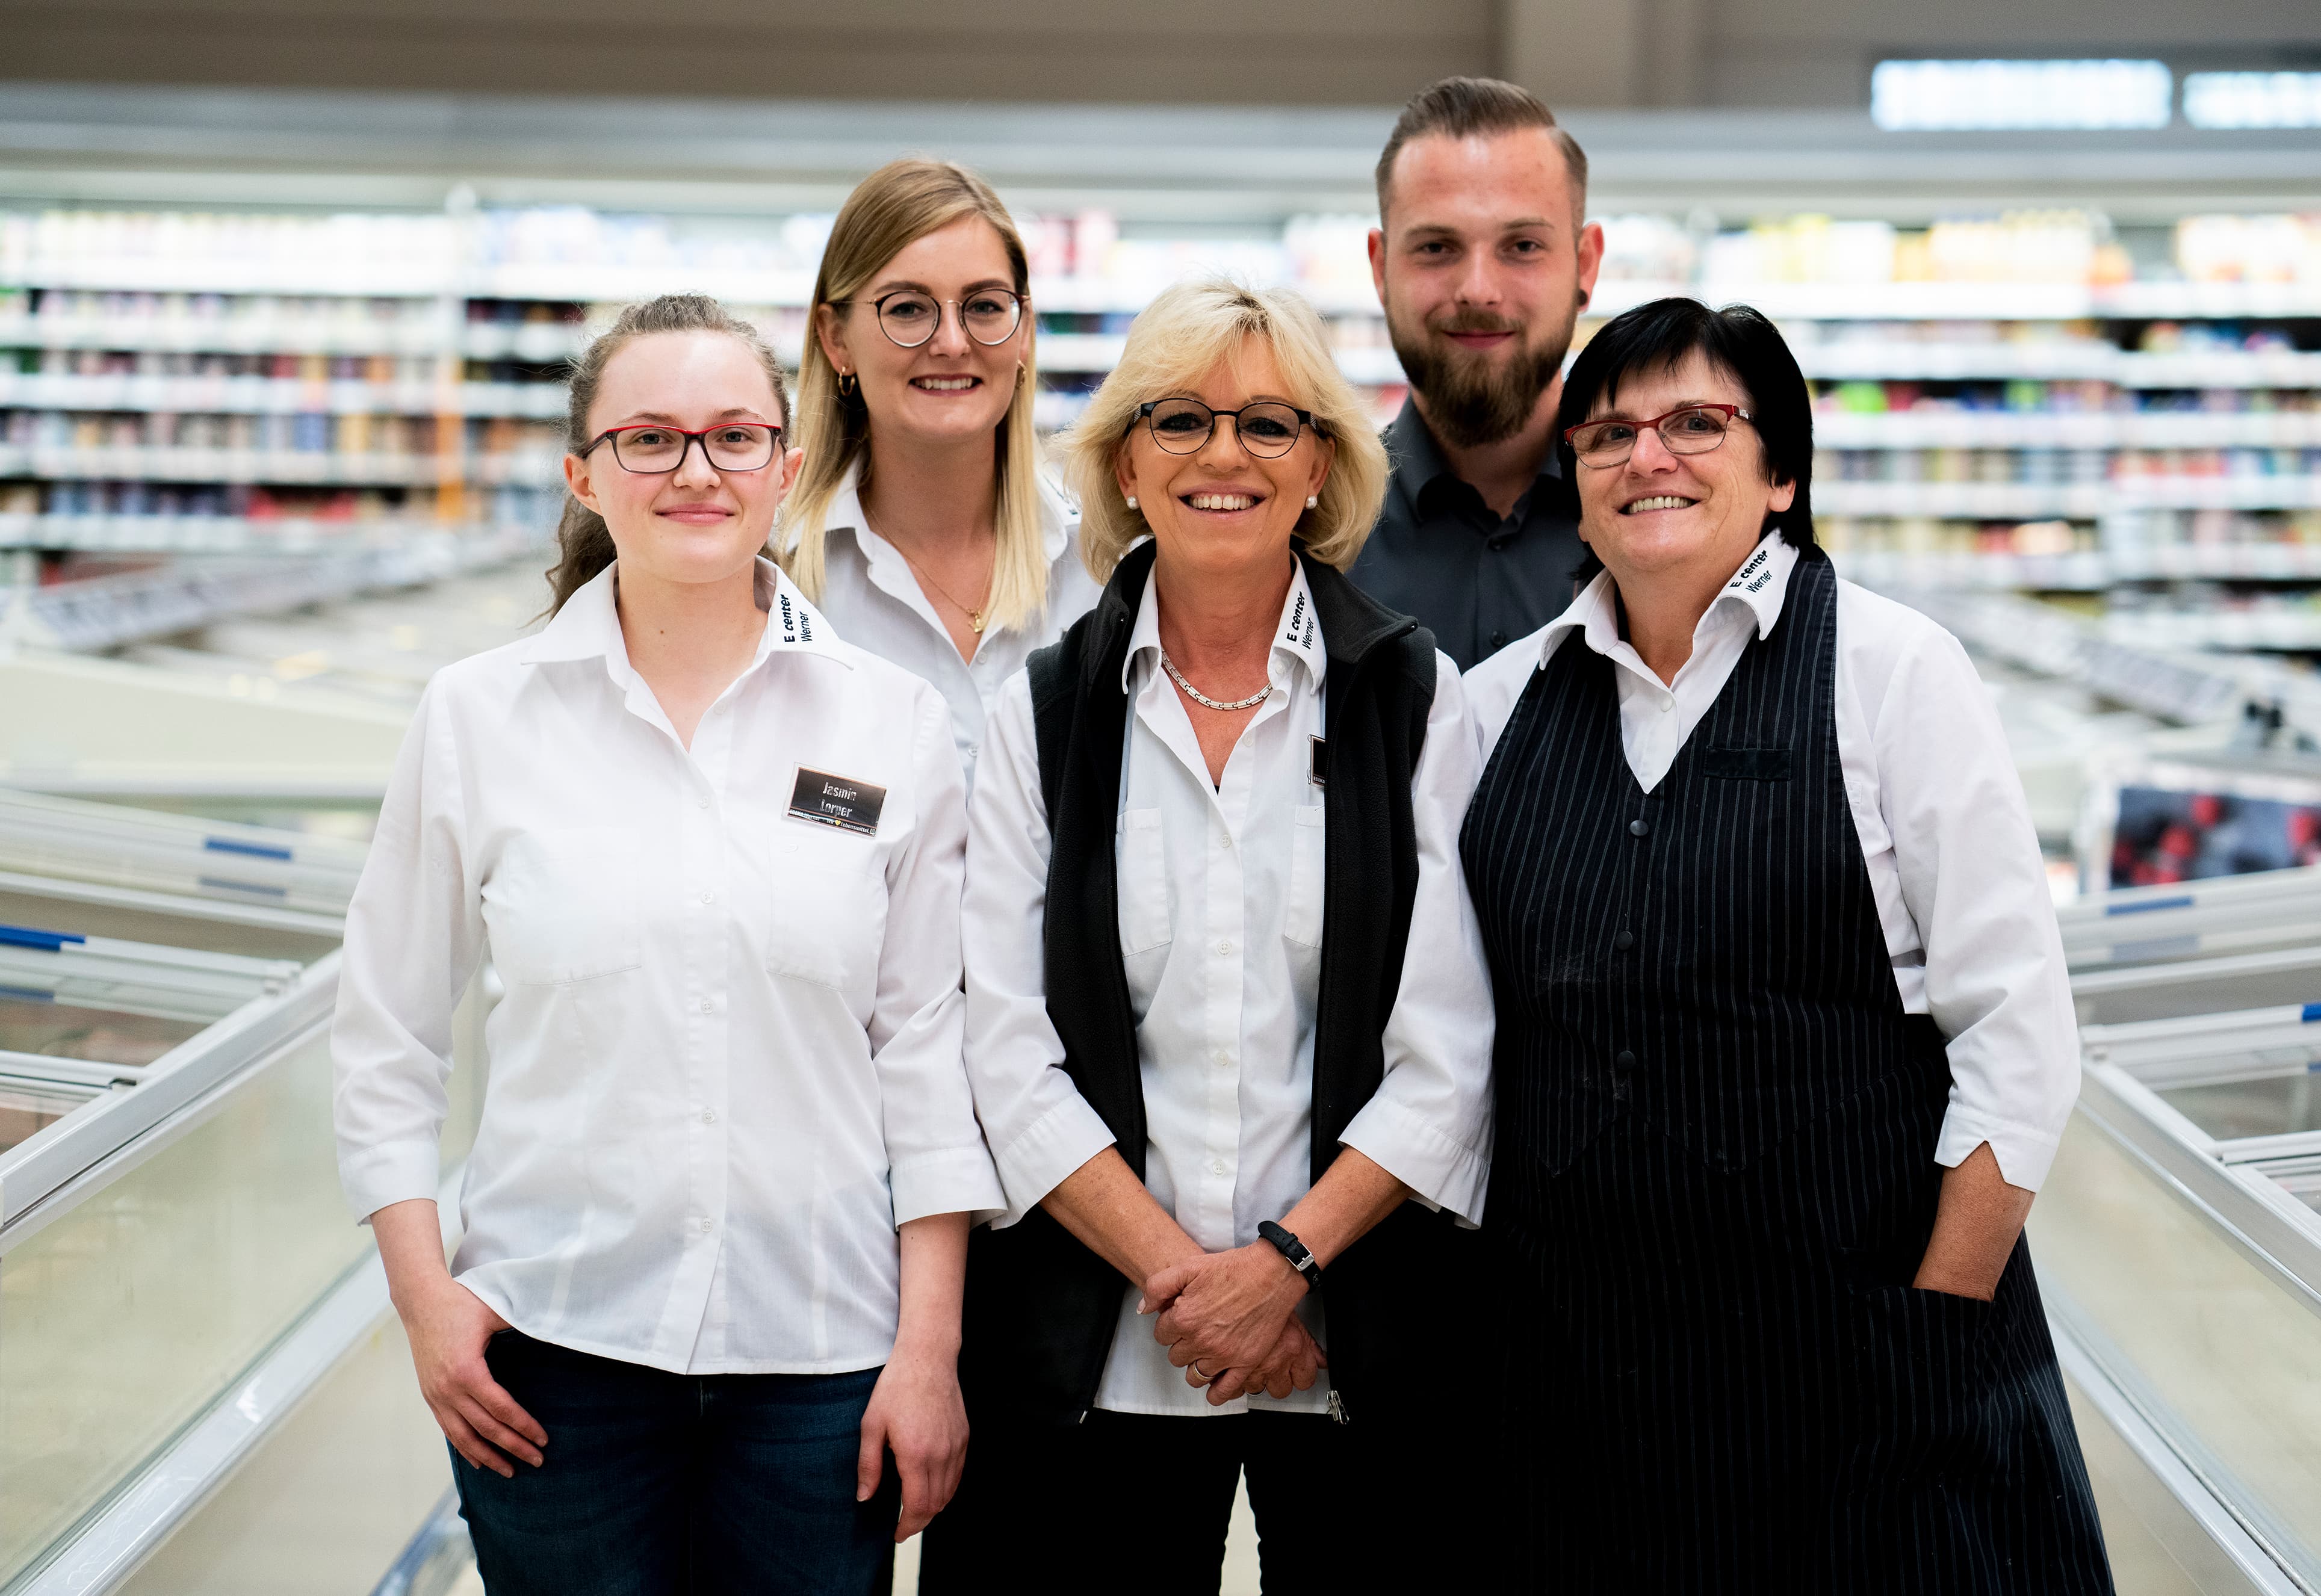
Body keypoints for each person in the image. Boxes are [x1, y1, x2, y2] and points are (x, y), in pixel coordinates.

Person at [332, 294, 1003, 1595]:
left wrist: (926, 1352)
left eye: (733, 437)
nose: (696, 471)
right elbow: (386, 1037)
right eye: (649, 439)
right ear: (584, 474)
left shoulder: (890, 725)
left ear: (786, 467)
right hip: (553, 1358)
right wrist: (426, 1302)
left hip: (820, 1361)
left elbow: (924, 1051)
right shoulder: (479, 717)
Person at [1460, 297, 2113, 1591]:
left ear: (1779, 472)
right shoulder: (1494, 709)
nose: (1647, 458)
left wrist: (1934, 1323)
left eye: (1696, 423)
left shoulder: (1888, 672)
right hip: (1583, 1396)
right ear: (1573, 492)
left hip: (1865, 1377)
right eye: (1606, 437)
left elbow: (2016, 1039)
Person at [920, 279, 1492, 1594]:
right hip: (1098, 1349)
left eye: (1268, 425)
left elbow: (1448, 1045)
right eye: (1178, 419)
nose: (1222, 455)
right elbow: (1003, 1051)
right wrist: (1197, 1286)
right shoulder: (1044, 711)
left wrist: (1288, 1271)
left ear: (1321, 467)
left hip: (1347, 1346)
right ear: (1123, 459)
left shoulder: (1413, 700)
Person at [785, 157, 1100, 784]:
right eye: (907, 309)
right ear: (835, 338)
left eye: (984, 306)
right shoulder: (778, 578)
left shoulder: (1101, 567)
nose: (952, 342)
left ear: (1024, 332)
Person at [1348, 75, 1604, 670]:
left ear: (1585, 265)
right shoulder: (1311, 540)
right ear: (1381, 268)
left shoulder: (1667, 529)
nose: (1479, 291)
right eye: (1437, 247)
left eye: (1522, 246)